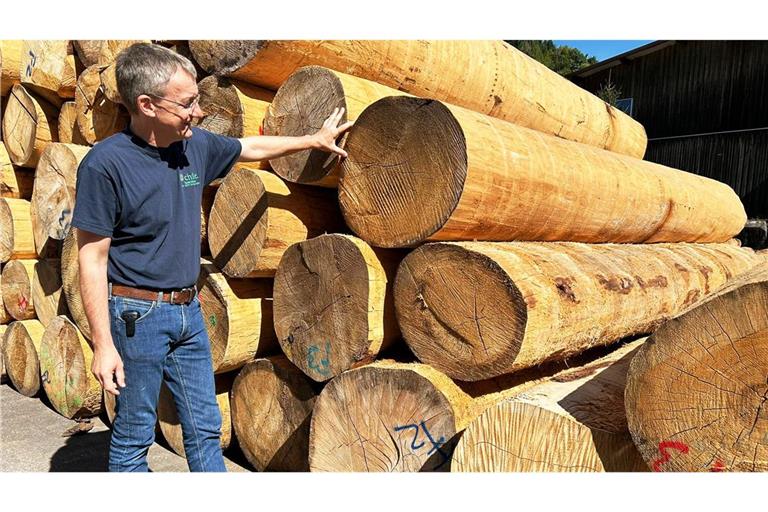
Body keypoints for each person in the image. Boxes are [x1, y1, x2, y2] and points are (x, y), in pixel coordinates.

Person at [71, 42, 353, 472]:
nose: (199, 112)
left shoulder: (194, 146)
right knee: (133, 437)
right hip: (136, 316)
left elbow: (248, 148)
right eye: (187, 103)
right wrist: (103, 344)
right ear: (146, 104)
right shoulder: (104, 166)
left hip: (190, 312)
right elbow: (90, 259)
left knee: (205, 428)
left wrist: (312, 140)